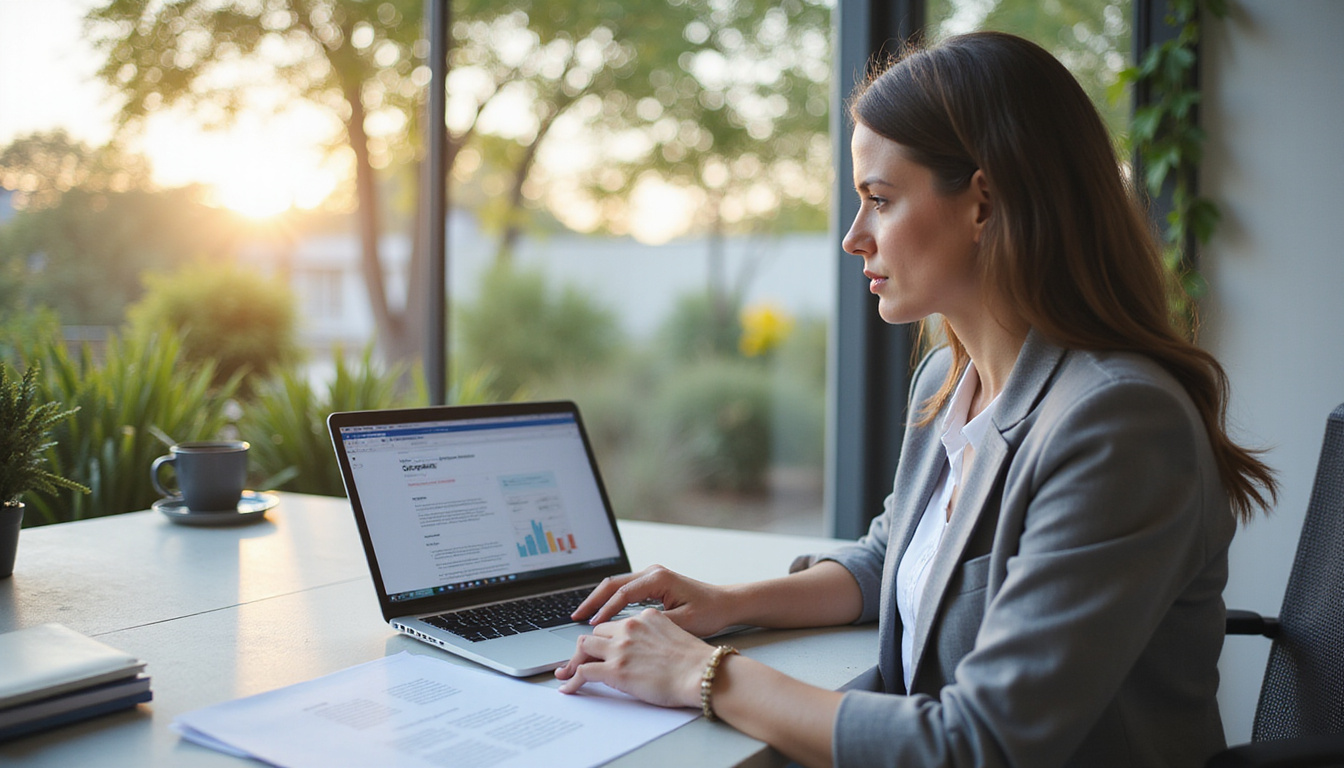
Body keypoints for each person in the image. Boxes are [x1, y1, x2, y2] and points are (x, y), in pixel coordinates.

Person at [555, 31, 1277, 768]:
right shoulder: (946, 383)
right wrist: (728, 604)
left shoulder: (1119, 423)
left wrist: (700, 674)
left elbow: (984, 743)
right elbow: (887, 560)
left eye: (880, 200)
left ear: (983, 202)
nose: (852, 237)